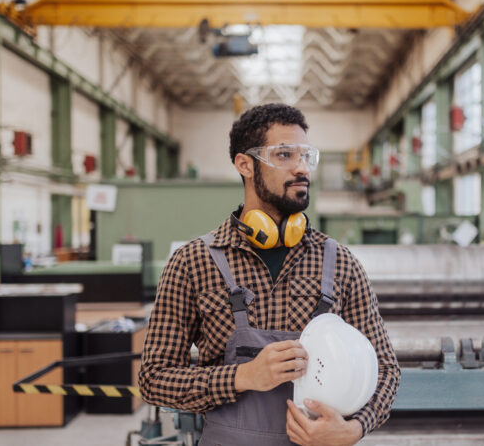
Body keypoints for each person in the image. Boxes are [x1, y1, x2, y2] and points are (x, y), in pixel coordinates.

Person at [140, 103, 400, 446]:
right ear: (244, 164)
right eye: (284, 155)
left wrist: (353, 429)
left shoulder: (340, 262)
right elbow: (154, 378)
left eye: (306, 156)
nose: (301, 168)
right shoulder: (193, 262)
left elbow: (385, 369)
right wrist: (243, 376)